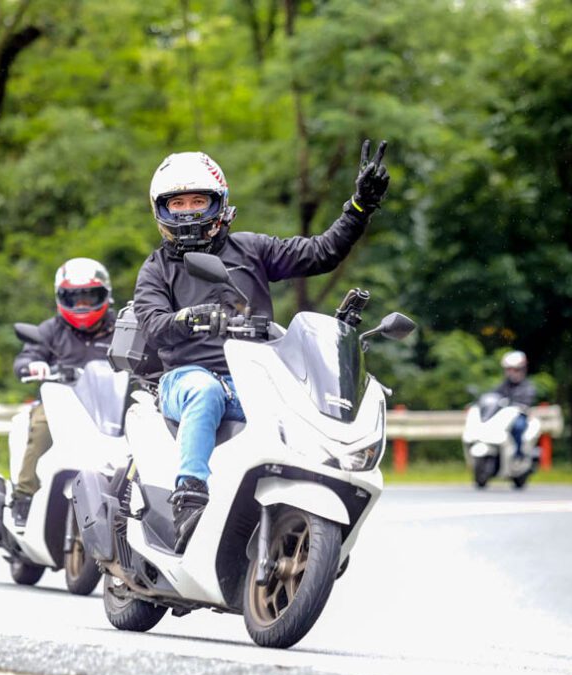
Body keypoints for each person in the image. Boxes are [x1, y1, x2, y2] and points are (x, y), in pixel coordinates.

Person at [132, 140, 391, 551]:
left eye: (198, 201)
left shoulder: (251, 248)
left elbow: (321, 253)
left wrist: (360, 207)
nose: (188, 211)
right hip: (184, 379)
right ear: (161, 210)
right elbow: (152, 323)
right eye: (177, 203)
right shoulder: (156, 268)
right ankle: (189, 496)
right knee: (204, 390)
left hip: (253, 378)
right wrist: (188, 318)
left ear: (219, 203)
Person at [11, 258, 116, 526]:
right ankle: (24, 494)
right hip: (60, 403)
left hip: (109, 405)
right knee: (41, 426)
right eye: (74, 298)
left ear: (104, 295)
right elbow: (26, 357)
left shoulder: (122, 327)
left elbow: (145, 353)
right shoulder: (51, 329)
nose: (81, 305)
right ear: (61, 297)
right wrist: (33, 365)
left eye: (89, 296)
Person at [492, 350, 537, 459]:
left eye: (515, 369)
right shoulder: (503, 385)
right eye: (508, 369)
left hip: (519, 415)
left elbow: (527, 401)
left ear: (522, 369)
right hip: (503, 416)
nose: (511, 372)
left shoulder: (527, 386)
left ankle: (518, 454)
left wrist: (512, 403)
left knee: (518, 427)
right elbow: (493, 396)